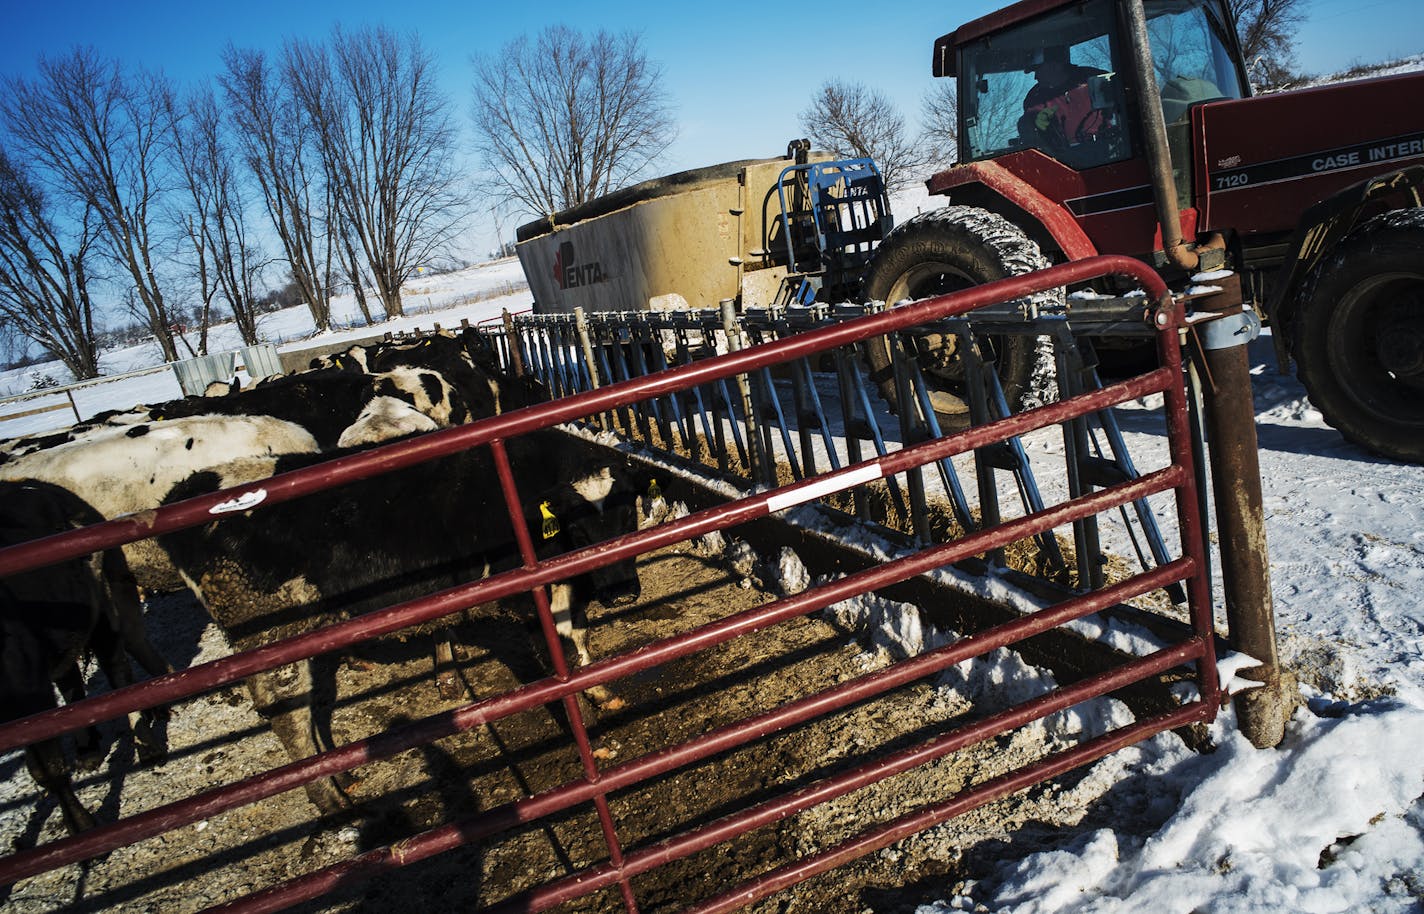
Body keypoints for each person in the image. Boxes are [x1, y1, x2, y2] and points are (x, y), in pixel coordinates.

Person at [1021, 46, 1107, 153]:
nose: (1035, 77)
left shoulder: (1096, 79)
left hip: (1110, 149)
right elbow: (1030, 129)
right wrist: (1033, 123)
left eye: (1038, 70)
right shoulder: (1035, 98)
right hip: (1066, 159)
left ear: (1055, 66)